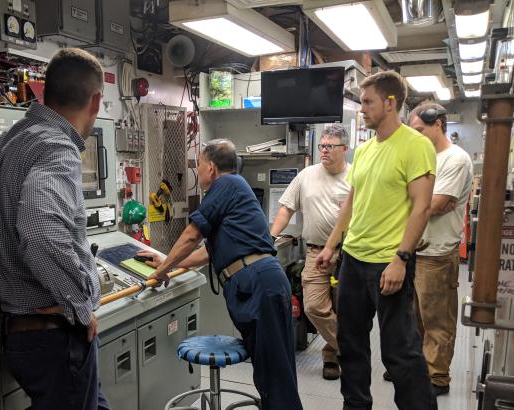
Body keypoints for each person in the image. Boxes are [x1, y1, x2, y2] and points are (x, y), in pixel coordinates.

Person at [138, 139, 303, 410]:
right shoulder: (233, 190)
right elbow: (206, 254)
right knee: (270, 373)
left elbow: (193, 234)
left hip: (259, 285)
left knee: (276, 376)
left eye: (199, 165)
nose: (197, 170)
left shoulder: (226, 184)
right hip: (257, 285)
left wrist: (162, 270)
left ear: (211, 167)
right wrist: (168, 264)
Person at [0, 48, 110, 410]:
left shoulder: (14, 140)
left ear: (44, 91)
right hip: (54, 338)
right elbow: (40, 230)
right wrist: (80, 304)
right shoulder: (58, 147)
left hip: (21, 332)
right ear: (97, 100)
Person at [315, 71, 438, 410]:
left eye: (368, 102)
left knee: (400, 352)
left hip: (389, 261)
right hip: (354, 260)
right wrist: (332, 245)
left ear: (390, 102)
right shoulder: (366, 150)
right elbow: (352, 202)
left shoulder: (416, 145)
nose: (362, 109)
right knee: (350, 344)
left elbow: (422, 206)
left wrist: (401, 258)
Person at [270, 124, 351, 380]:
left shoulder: (356, 177)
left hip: (348, 253)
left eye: (330, 146)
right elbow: (286, 208)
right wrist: (270, 237)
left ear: (345, 149)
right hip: (316, 253)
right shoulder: (307, 175)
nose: (324, 151)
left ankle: (331, 358)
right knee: (315, 306)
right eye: (322, 146)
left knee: (344, 309)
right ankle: (350, 349)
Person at [407, 103, 473, 396]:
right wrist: (424, 204)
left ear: (439, 125)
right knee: (413, 317)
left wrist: (421, 203)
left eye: (420, 130)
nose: (416, 136)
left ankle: (437, 377)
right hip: (412, 249)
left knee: (436, 319)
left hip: (436, 252)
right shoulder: (422, 157)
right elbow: (424, 203)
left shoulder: (454, 159)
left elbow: (436, 203)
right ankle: (418, 369)